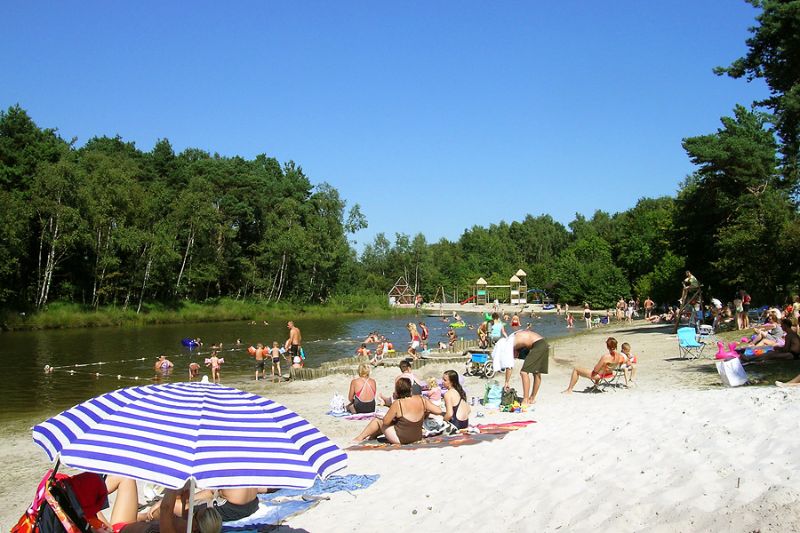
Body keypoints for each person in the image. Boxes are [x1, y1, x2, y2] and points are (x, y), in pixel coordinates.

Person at [353, 378, 442, 445]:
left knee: (378, 420)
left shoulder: (398, 403)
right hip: (417, 437)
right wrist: (425, 413)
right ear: (410, 389)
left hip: (401, 439)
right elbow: (438, 410)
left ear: (397, 391)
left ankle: (359, 438)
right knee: (394, 422)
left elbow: (386, 422)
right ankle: (372, 437)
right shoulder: (422, 400)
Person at [143, 485, 252, 525]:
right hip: (251, 504)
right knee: (187, 500)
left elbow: (188, 481)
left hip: (228, 507)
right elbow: (211, 491)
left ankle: (144, 517)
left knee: (170, 508)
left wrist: (163, 502)